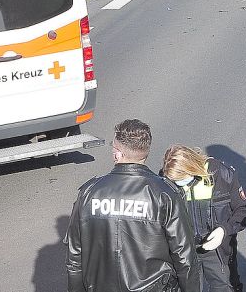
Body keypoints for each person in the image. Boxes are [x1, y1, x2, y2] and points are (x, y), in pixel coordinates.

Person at [66, 119, 201, 292]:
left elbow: (75, 256)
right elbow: (185, 257)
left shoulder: (89, 193)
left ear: (117, 154)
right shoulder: (165, 194)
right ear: (145, 152)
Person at [163, 145, 246, 292]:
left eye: (181, 179)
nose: (178, 183)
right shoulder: (167, 180)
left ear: (192, 168)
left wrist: (224, 230)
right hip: (185, 251)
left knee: (226, 287)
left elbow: (244, 211)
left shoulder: (221, 174)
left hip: (217, 249)